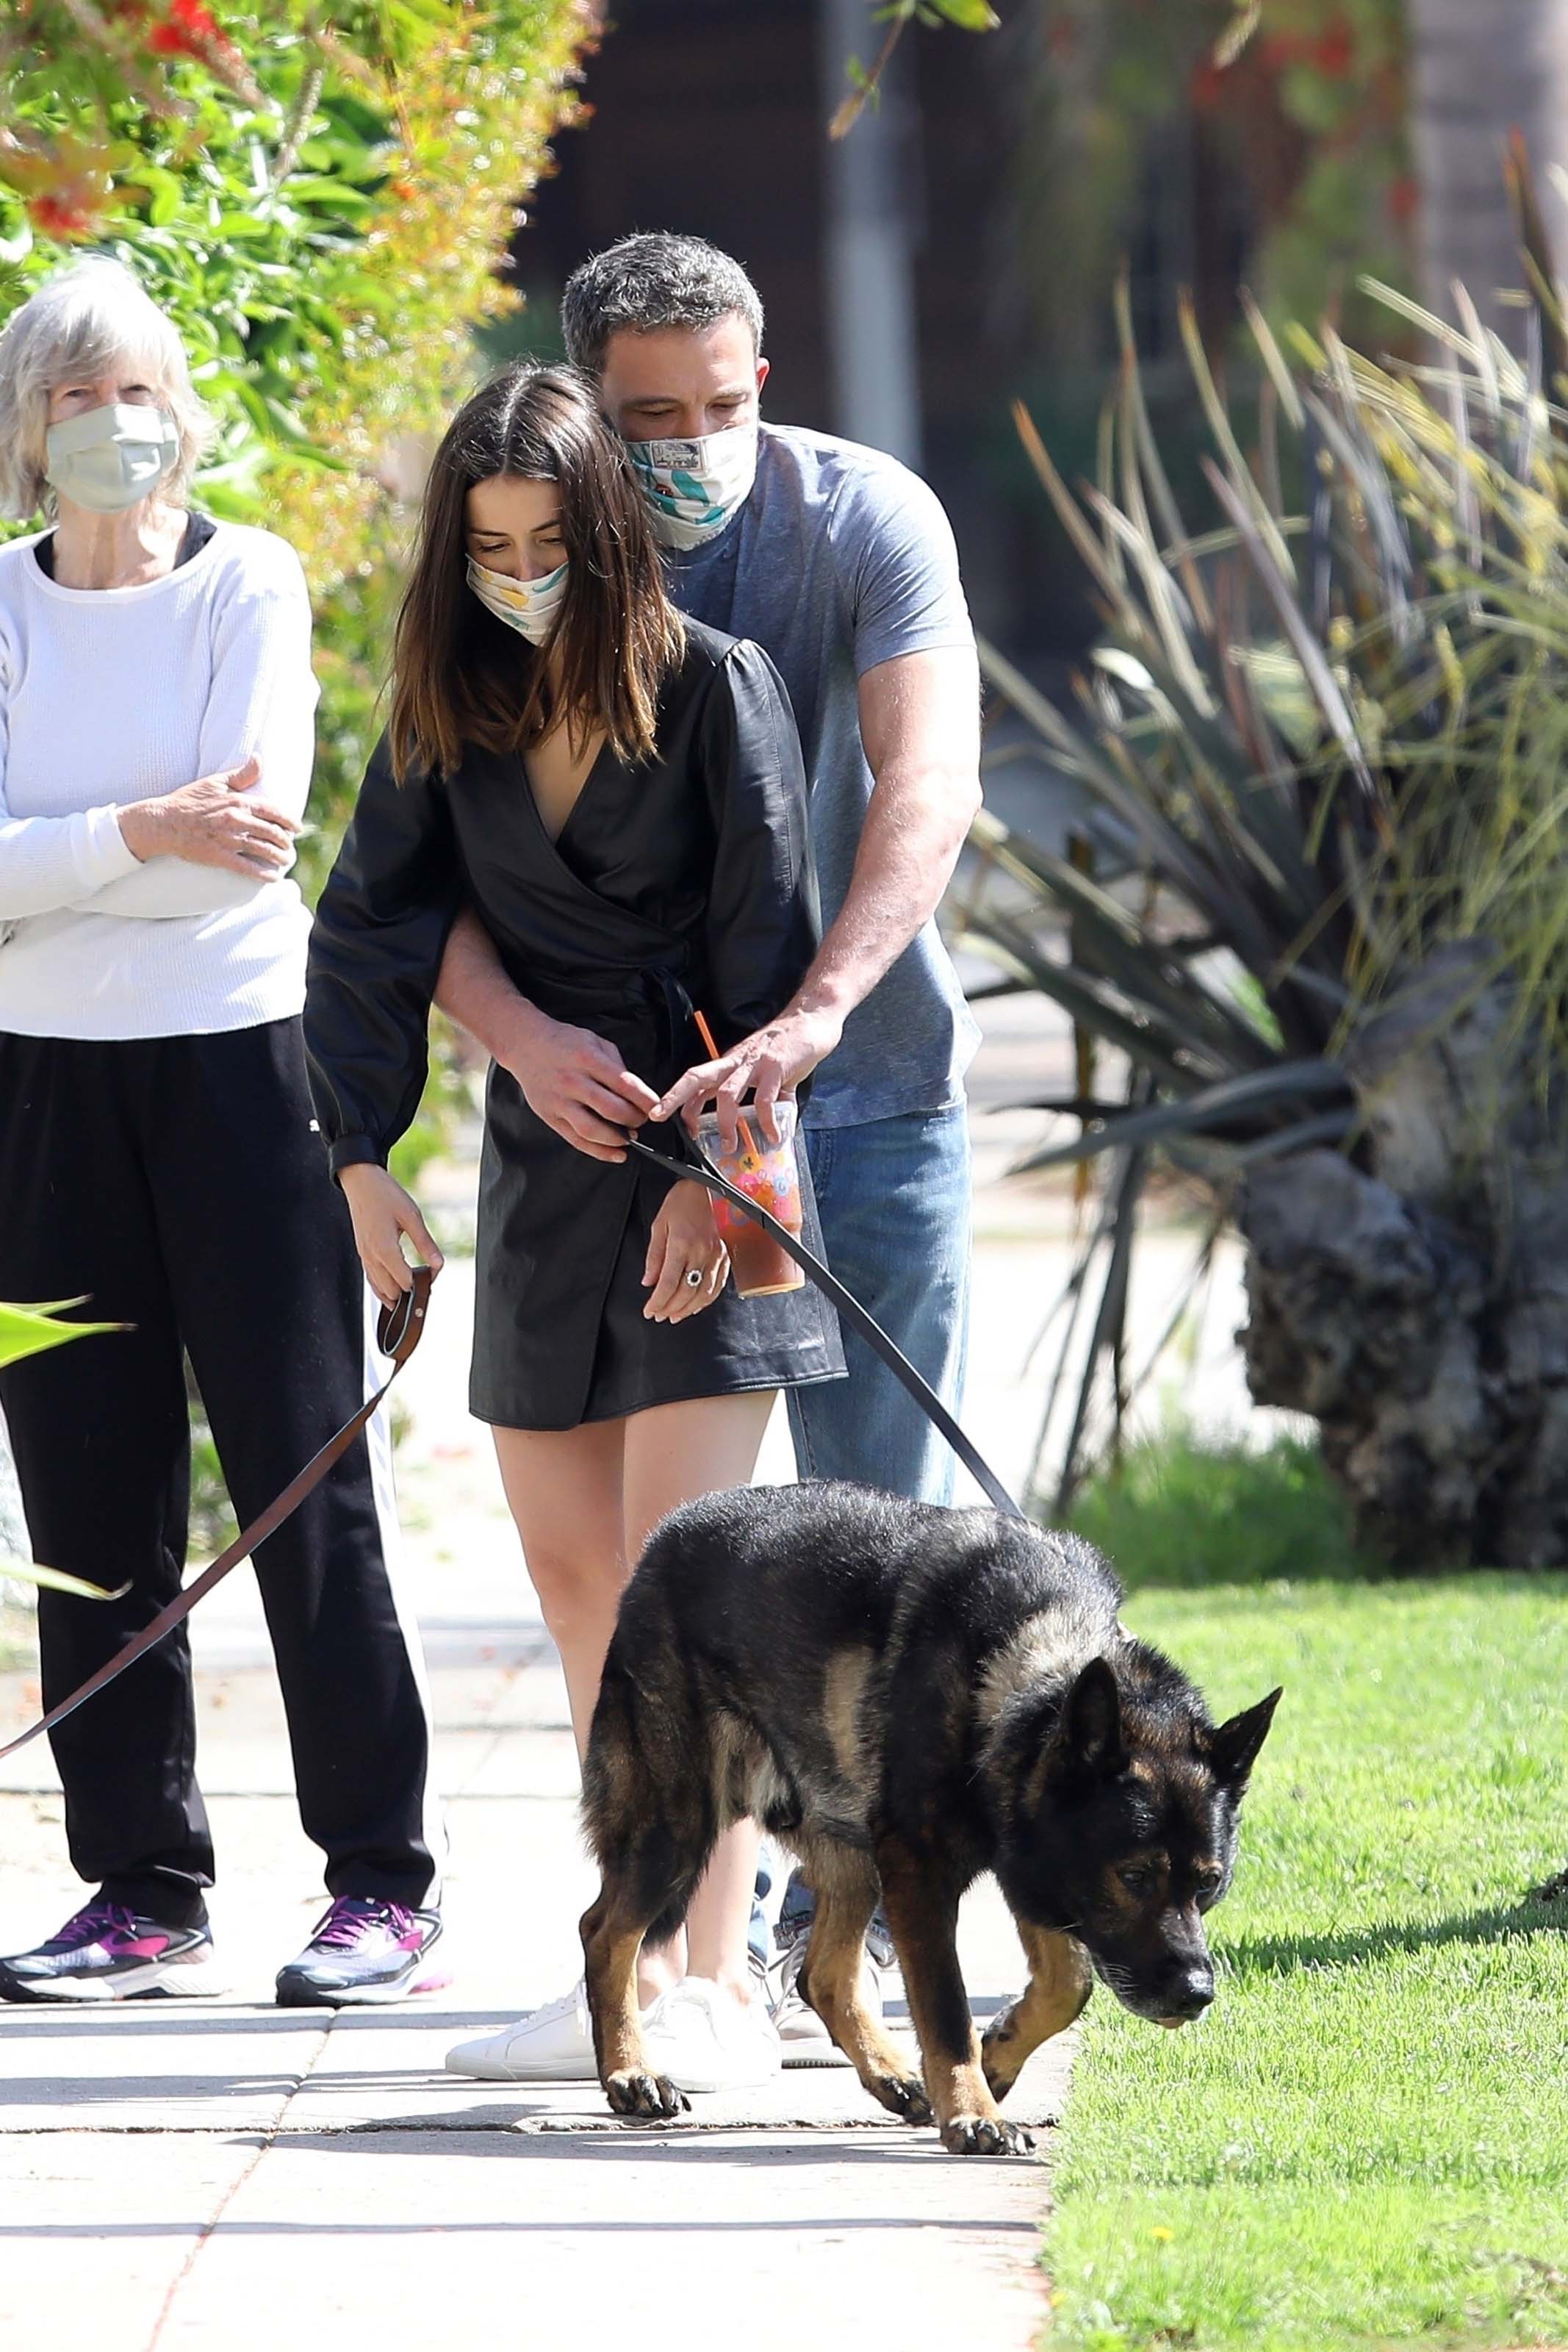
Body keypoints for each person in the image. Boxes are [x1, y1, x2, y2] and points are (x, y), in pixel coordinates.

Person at [434, 234, 982, 2066]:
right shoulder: (530, 560)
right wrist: (526, 1048)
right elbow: (409, 874)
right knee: (693, 1572)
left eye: (723, 406)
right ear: (586, 401)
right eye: (646, 416)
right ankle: (699, 1948)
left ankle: (893, 1938)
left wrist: (816, 1017)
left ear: (766, 378)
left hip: (868, 1100)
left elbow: (927, 778)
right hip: (647, 1142)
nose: (690, 445)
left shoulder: (859, 521)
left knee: (889, 1565)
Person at [302, 362, 843, 2093]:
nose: (517, 572)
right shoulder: (444, 704)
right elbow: (373, 925)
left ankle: (716, 1985)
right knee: (576, 1588)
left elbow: (770, 958)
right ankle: (628, 1952)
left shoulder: (716, 688)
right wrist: (361, 1156)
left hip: (708, 1165)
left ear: (604, 533)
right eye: (485, 545)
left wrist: (710, 1177)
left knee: (694, 1599)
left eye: (545, 540)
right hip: (545, 1173)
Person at [0, 258, 444, 2007]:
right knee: (85, 1491)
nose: (119, 425)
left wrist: (62, 852)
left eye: (142, 390)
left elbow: (251, 834)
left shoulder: (245, 580)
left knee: (299, 1470)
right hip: (39, 1086)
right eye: (77, 397)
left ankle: (381, 1880)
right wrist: (136, 832)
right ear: (29, 434)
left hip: (243, 1069)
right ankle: (140, 1884)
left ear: (185, 411)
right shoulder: (3, 609)